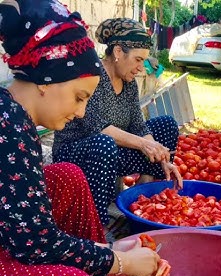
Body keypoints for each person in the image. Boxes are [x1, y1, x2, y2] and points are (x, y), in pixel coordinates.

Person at [0, 2, 162, 276]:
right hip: (17, 248)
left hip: (14, 239)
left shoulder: (14, 117)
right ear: (46, 80)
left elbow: (28, 225)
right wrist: (117, 260)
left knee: (68, 178)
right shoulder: (8, 131)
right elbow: (35, 244)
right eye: (78, 97)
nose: (80, 111)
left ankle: (97, 273)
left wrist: (107, 254)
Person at [52, 18, 183, 229]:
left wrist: (159, 152)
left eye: (144, 61)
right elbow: (96, 127)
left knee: (166, 125)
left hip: (111, 152)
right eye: (138, 60)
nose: (141, 68)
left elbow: (139, 126)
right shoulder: (92, 77)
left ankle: (142, 201)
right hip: (79, 154)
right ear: (119, 52)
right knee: (105, 143)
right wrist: (144, 145)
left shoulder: (128, 82)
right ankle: (96, 226)